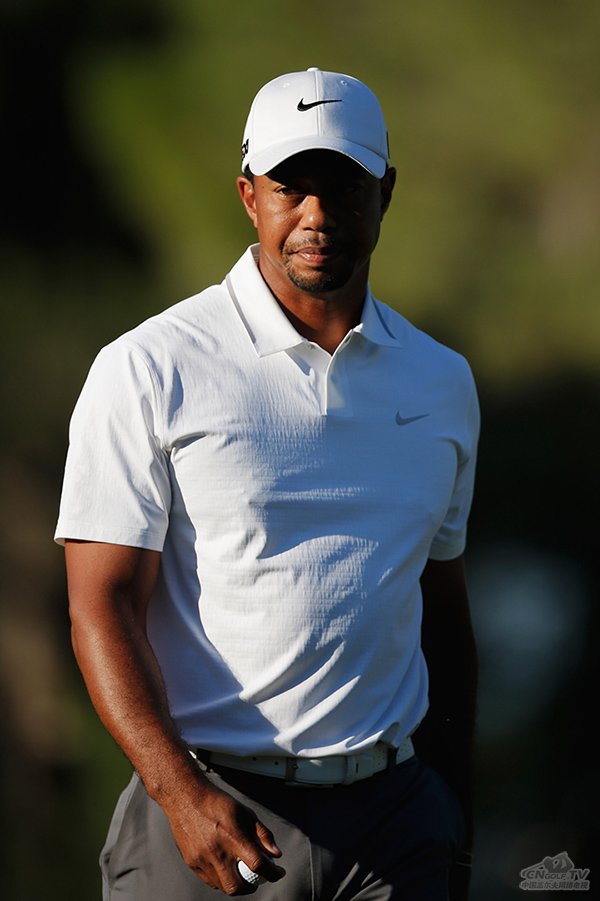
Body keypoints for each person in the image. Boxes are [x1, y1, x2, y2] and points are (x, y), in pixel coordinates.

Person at [55, 67, 480, 900]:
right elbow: (98, 605)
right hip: (207, 811)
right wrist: (180, 793)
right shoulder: (150, 367)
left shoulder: (442, 381)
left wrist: (454, 813)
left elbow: (442, 611)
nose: (317, 215)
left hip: (396, 824)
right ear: (249, 195)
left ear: (386, 194)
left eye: (344, 187)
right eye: (291, 188)